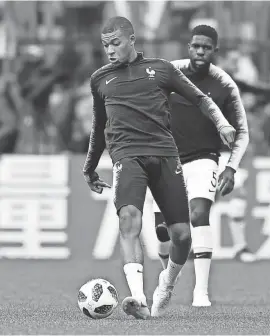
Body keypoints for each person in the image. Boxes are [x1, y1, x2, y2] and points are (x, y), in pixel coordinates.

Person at [83, 17, 235, 319]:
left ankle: (166, 283)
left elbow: (200, 98)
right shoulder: (100, 79)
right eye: (105, 45)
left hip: (165, 156)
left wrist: (221, 122)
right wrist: (90, 167)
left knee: (180, 235)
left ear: (131, 39)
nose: (110, 50)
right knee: (129, 219)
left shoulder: (161, 69)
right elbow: (99, 125)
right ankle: (138, 297)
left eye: (115, 43)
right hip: (127, 156)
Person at [153, 25, 249, 307]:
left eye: (206, 47)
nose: (200, 51)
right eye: (196, 46)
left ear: (214, 51)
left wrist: (230, 167)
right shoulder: (169, 72)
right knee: (164, 231)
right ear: (188, 46)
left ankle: (201, 293)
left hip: (204, 158)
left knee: (198, 214)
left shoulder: (224, 85)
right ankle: (166, 281)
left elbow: (242, 132)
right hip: (167, 160)